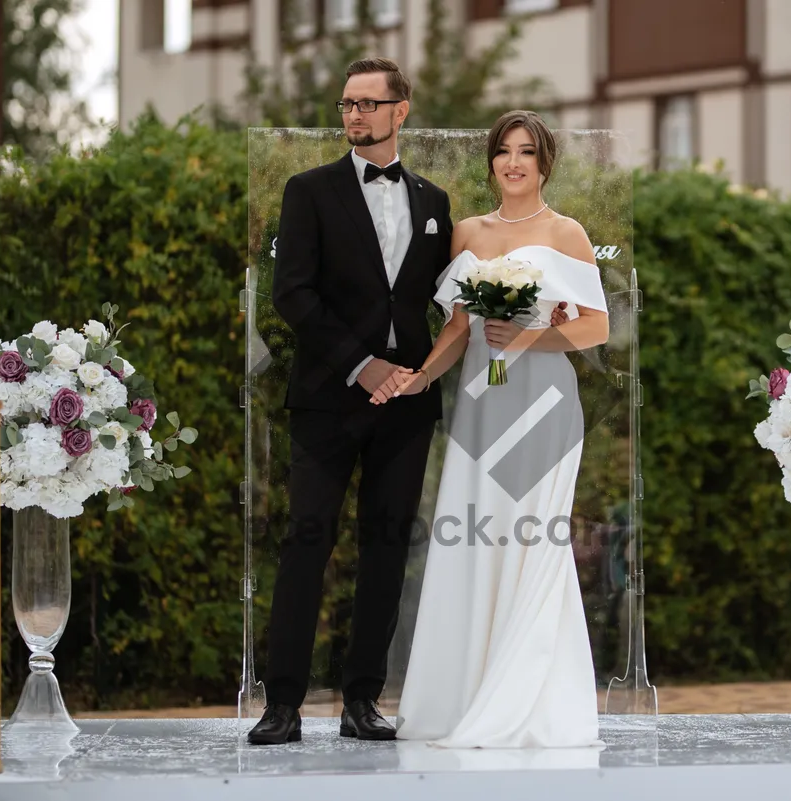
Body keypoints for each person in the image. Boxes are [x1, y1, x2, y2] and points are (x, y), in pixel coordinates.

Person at [249, 62, 566, 746]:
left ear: (402, 111)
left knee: (387, 549)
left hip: (407, 404)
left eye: (369, 103)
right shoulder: (307, 192)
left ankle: (363, 699)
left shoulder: (433, 201)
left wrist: (512, 324)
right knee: (308, 543)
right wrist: (362, 367)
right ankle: (282, 704)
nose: (354, 114)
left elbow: (449, 305)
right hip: (327, 400)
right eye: (347, 104)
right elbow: (292, 295)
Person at [377, 110, 610, 748]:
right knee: (475, 539)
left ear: (544, 163)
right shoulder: (467, 232)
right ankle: (466, 696)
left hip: (544, 402)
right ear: (491, 161)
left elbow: (597, 328)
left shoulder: (567, 232)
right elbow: (457, 327)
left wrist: (532, 336)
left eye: (526, 152)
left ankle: (532, 701)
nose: (513, 162)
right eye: (504, 151)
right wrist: (421, 377)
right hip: (483, 401)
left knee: (535, 541)